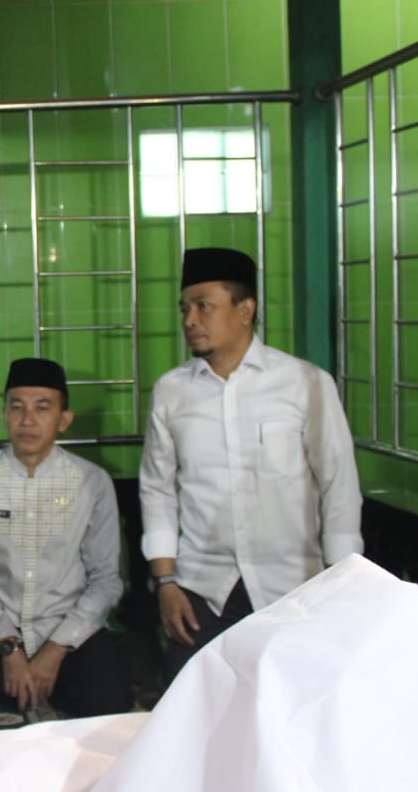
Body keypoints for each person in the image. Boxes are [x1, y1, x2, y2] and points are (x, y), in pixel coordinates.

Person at [141, 247, 363, 682]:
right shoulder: (171, 392)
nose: (190, 320)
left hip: (294, 588)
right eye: (185, 308)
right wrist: (166, 583)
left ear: (245, 309)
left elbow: (339, 483)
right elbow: (157, 490)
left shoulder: (305, 383)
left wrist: (343, 583)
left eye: (204, 306)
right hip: (202, 593)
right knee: (197, 720)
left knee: (292, 713)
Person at [0, 358, 131, 725]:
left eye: (42, 408)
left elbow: (106, 579)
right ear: (4, 414)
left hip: (68, 629)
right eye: (17, 407)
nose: (27, 420)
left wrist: (56, 649)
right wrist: (8, 648)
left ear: (64, 419)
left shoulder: (91, 483)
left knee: (110, 699)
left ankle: (37, 685)